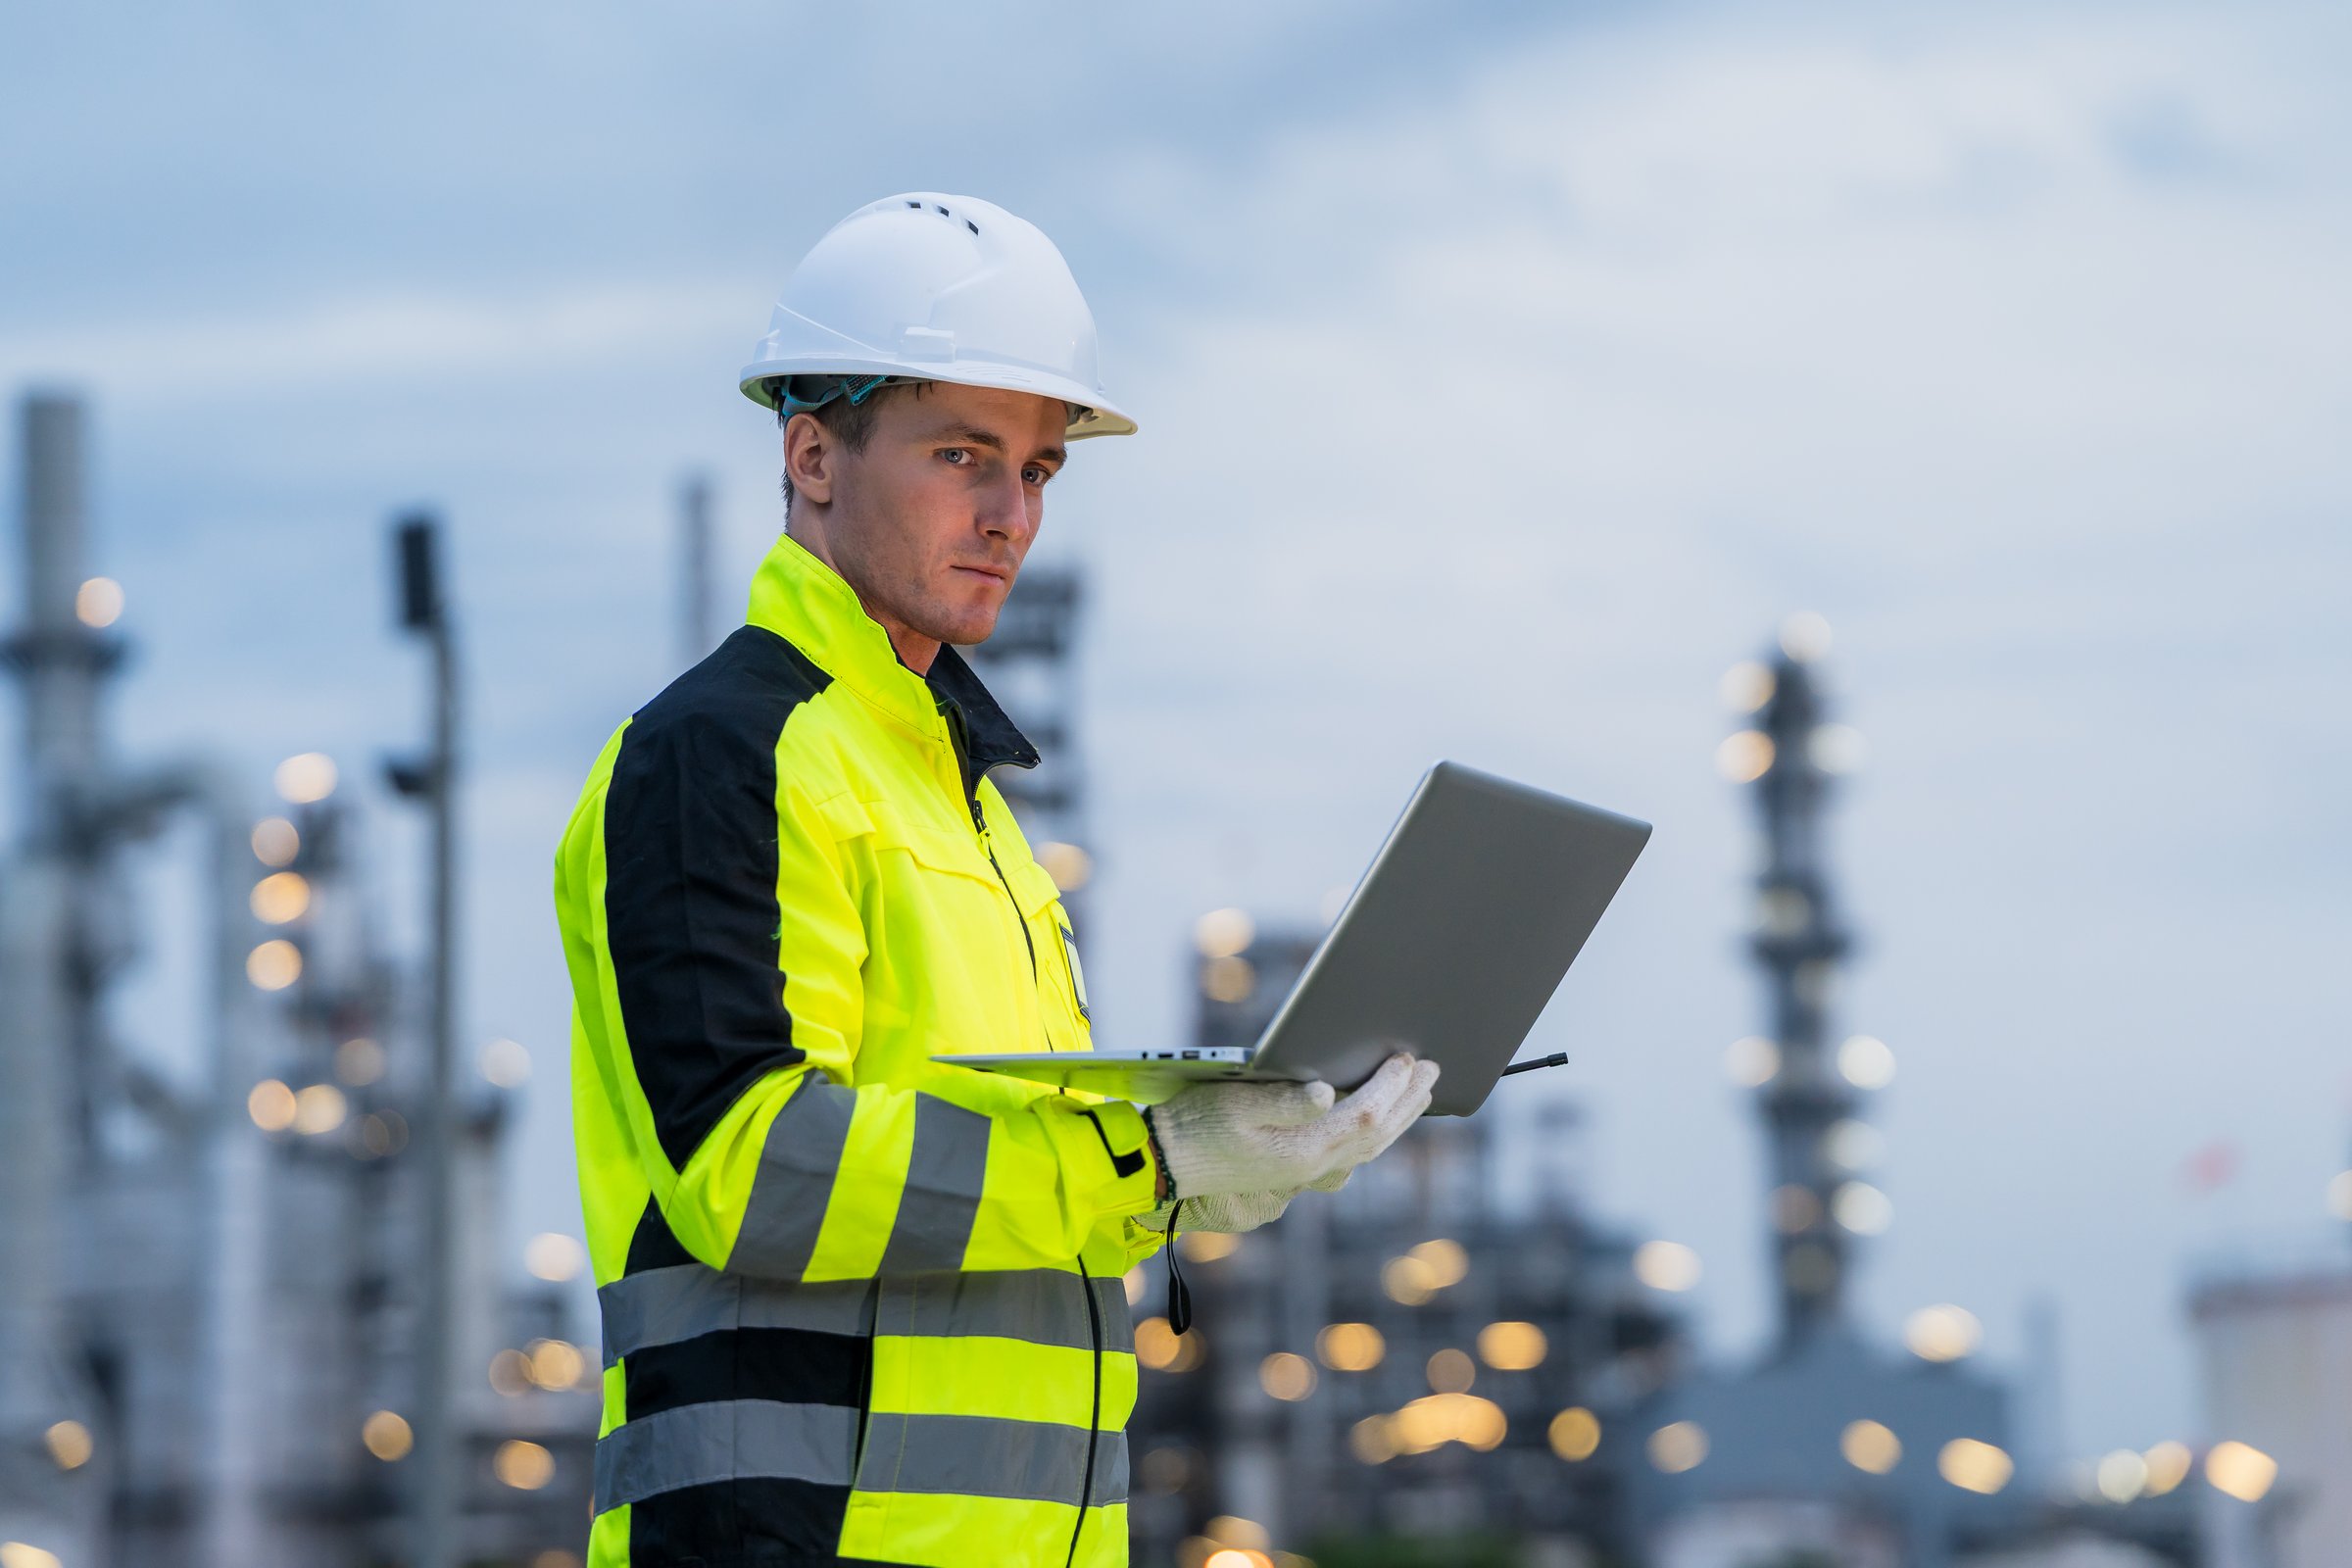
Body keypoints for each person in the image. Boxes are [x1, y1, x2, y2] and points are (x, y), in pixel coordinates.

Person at [553, 191, 1440, 1568]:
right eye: (962, 454)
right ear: (812, 455)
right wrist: (1143, 1156)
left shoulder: (960, 801)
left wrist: (1222, 1166)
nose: (1010, 513)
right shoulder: (721, 757)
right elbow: (759, 1170)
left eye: (1036, 472)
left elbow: (1010, 1194)